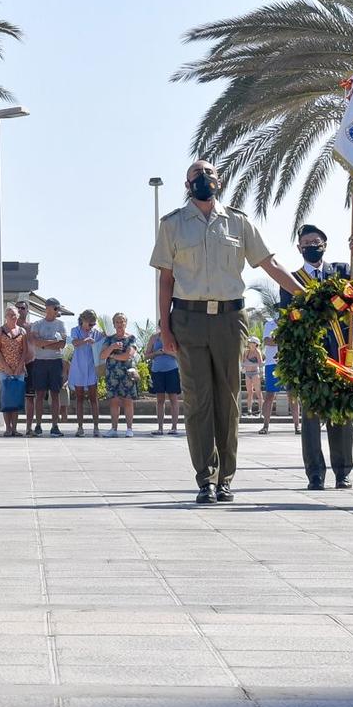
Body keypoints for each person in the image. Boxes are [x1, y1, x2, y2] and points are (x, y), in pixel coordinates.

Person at [151, 158, 301, 504]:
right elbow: (166, 279)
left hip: (230, 320)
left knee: (228, 399)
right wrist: (165, 328)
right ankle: (205, 477)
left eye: (209, 174)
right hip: (188, 319)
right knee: (198, 399)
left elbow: (269, 262)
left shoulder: (238, 221)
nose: (203, 179)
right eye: (196, 175)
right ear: (187, 186)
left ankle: (226, 479)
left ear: (219, 181)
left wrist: (305, 294)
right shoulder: (172, 225)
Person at [283, 225, 353, 491]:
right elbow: (287, 315)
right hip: (309, 357)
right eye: (306, 242)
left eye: (316, 241)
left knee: (341, 416)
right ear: (299, 248)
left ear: (325, 244)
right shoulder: (292, 279)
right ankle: (315, 473)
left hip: (340, 353)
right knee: (311, 419)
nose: (312, 245)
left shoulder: (341, 271)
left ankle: (342, 471)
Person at [25, 298, 70, 437]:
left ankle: (55, 426)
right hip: (40, 362)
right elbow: (35, 342)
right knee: (39, 394)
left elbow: (62, 344)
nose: (57, 311)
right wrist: (51, 342)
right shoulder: (37, 324)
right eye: (55, 308)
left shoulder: (61, 324)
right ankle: (38, 425)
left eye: (58, 309)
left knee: (55, 394)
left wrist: (44, 343)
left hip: (55, 362)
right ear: (48, 308)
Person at [101, 313, 139, 437]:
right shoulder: (109, 339)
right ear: (114, 324)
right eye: (117, 322)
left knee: (128, 400)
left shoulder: (131, 338)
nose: (119, 324)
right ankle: (114, 428)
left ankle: (129, 429)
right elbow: (102, 356)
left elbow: (128, 355)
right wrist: (112, 347)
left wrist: (112, 356)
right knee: (114, 401)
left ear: (125, 323)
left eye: (122, 321)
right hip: (112, 374)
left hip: (127, 374)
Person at [0, 306, 28, 437]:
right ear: (5, 316)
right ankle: (8, 428)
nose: (11, 317)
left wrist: (20, 366)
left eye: (14, 314)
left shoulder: (22, 331)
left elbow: (25, 350)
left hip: (19, 370)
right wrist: (6, 367)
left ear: (18, 316)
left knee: (16, 399)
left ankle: (15, 428)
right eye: (9, 314)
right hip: (4, 370)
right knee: (7, 398)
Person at [66, 310, 101, 435]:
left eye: (93, 324)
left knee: (93, 398)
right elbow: (74, 343)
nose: (91, 326)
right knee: (79, 398)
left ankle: (96, 427)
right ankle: (80, 427)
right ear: (83, 321)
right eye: (90, 324)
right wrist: (85, 340)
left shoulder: (96, 333)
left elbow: (104, 342)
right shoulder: (75, 330)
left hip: (92, 367)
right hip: (79, 367)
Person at [144, 327, 181, 434]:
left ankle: (174, 427)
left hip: (172, 370)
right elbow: (146, 356)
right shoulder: (154, 338)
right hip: (157, 371)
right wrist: (157, 353)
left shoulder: (174, 337)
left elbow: (180, 355)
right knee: (160, 400)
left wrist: (168, 352)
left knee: (173, 398)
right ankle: (160, 428)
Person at [240, 336, 264, 426]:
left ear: (255, 344)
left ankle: (261, 410)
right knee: (249, 392)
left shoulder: (258, 352)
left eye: (251, 342)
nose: (249, 343)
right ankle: (249, 410)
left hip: (255, 373)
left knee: (258, 392)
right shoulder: (246, 352)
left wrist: (261, 373)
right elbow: (243, 362)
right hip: (247, 373)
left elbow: (261, 363)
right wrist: (243, 368)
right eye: (249, 342)